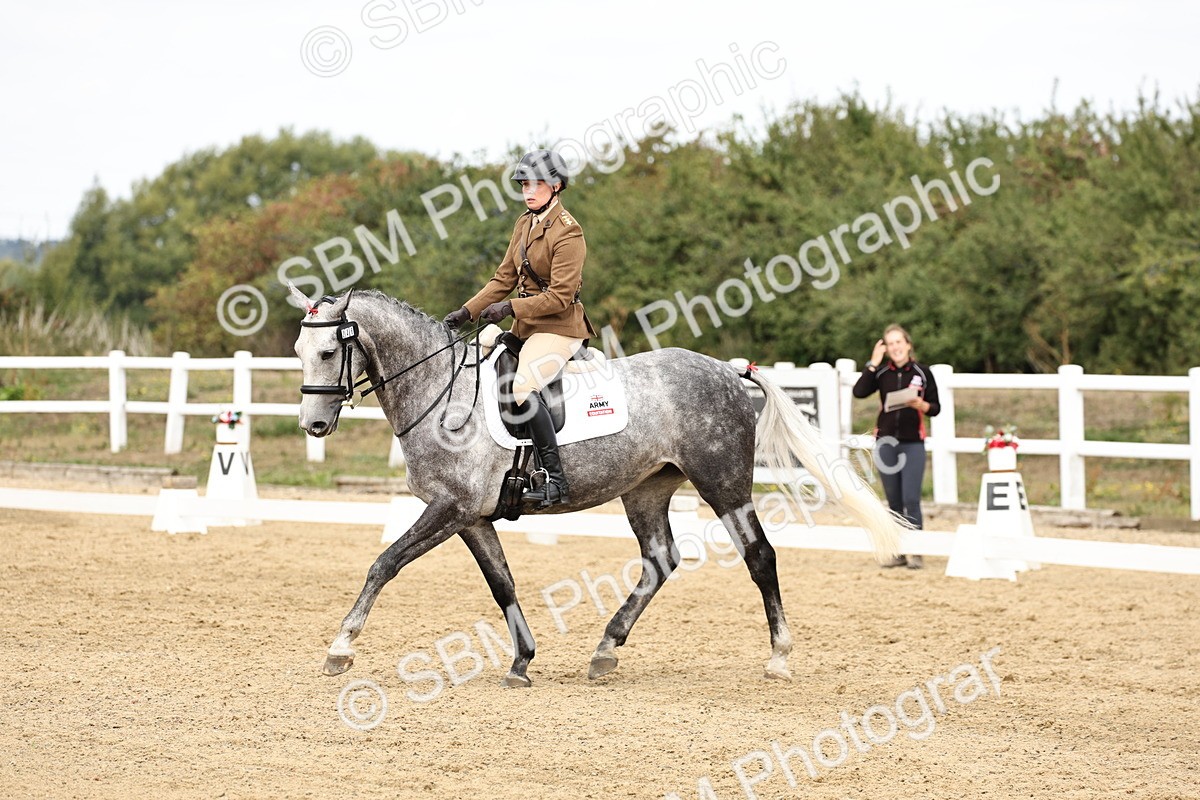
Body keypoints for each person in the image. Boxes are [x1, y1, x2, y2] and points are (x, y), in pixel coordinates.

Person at [443, 149, 597, 508]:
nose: (529, 191)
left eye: (536, 184)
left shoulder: (569, 233)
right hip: (527, 326)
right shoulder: (524, 224)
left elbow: (560, 297)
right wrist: (466, 311)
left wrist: (510, 307)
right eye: (525, 184)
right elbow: (503, 278)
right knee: (481, 360)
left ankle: (555, 480)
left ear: (556, 186)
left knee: (523, 385)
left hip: (560, 328)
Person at [852, 323, 940, 569]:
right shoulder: (881, 374)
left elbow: (936, 407)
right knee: (894, 501)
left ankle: (917, 551)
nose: (895, 347)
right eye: (890, 344)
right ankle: (898, 552)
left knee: (911, 498)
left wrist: (922, 405)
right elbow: (859, 391)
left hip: (913, 444)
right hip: (886, 444)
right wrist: (873, 362)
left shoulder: (923, 372)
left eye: (898, 342)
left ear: (908, 345)